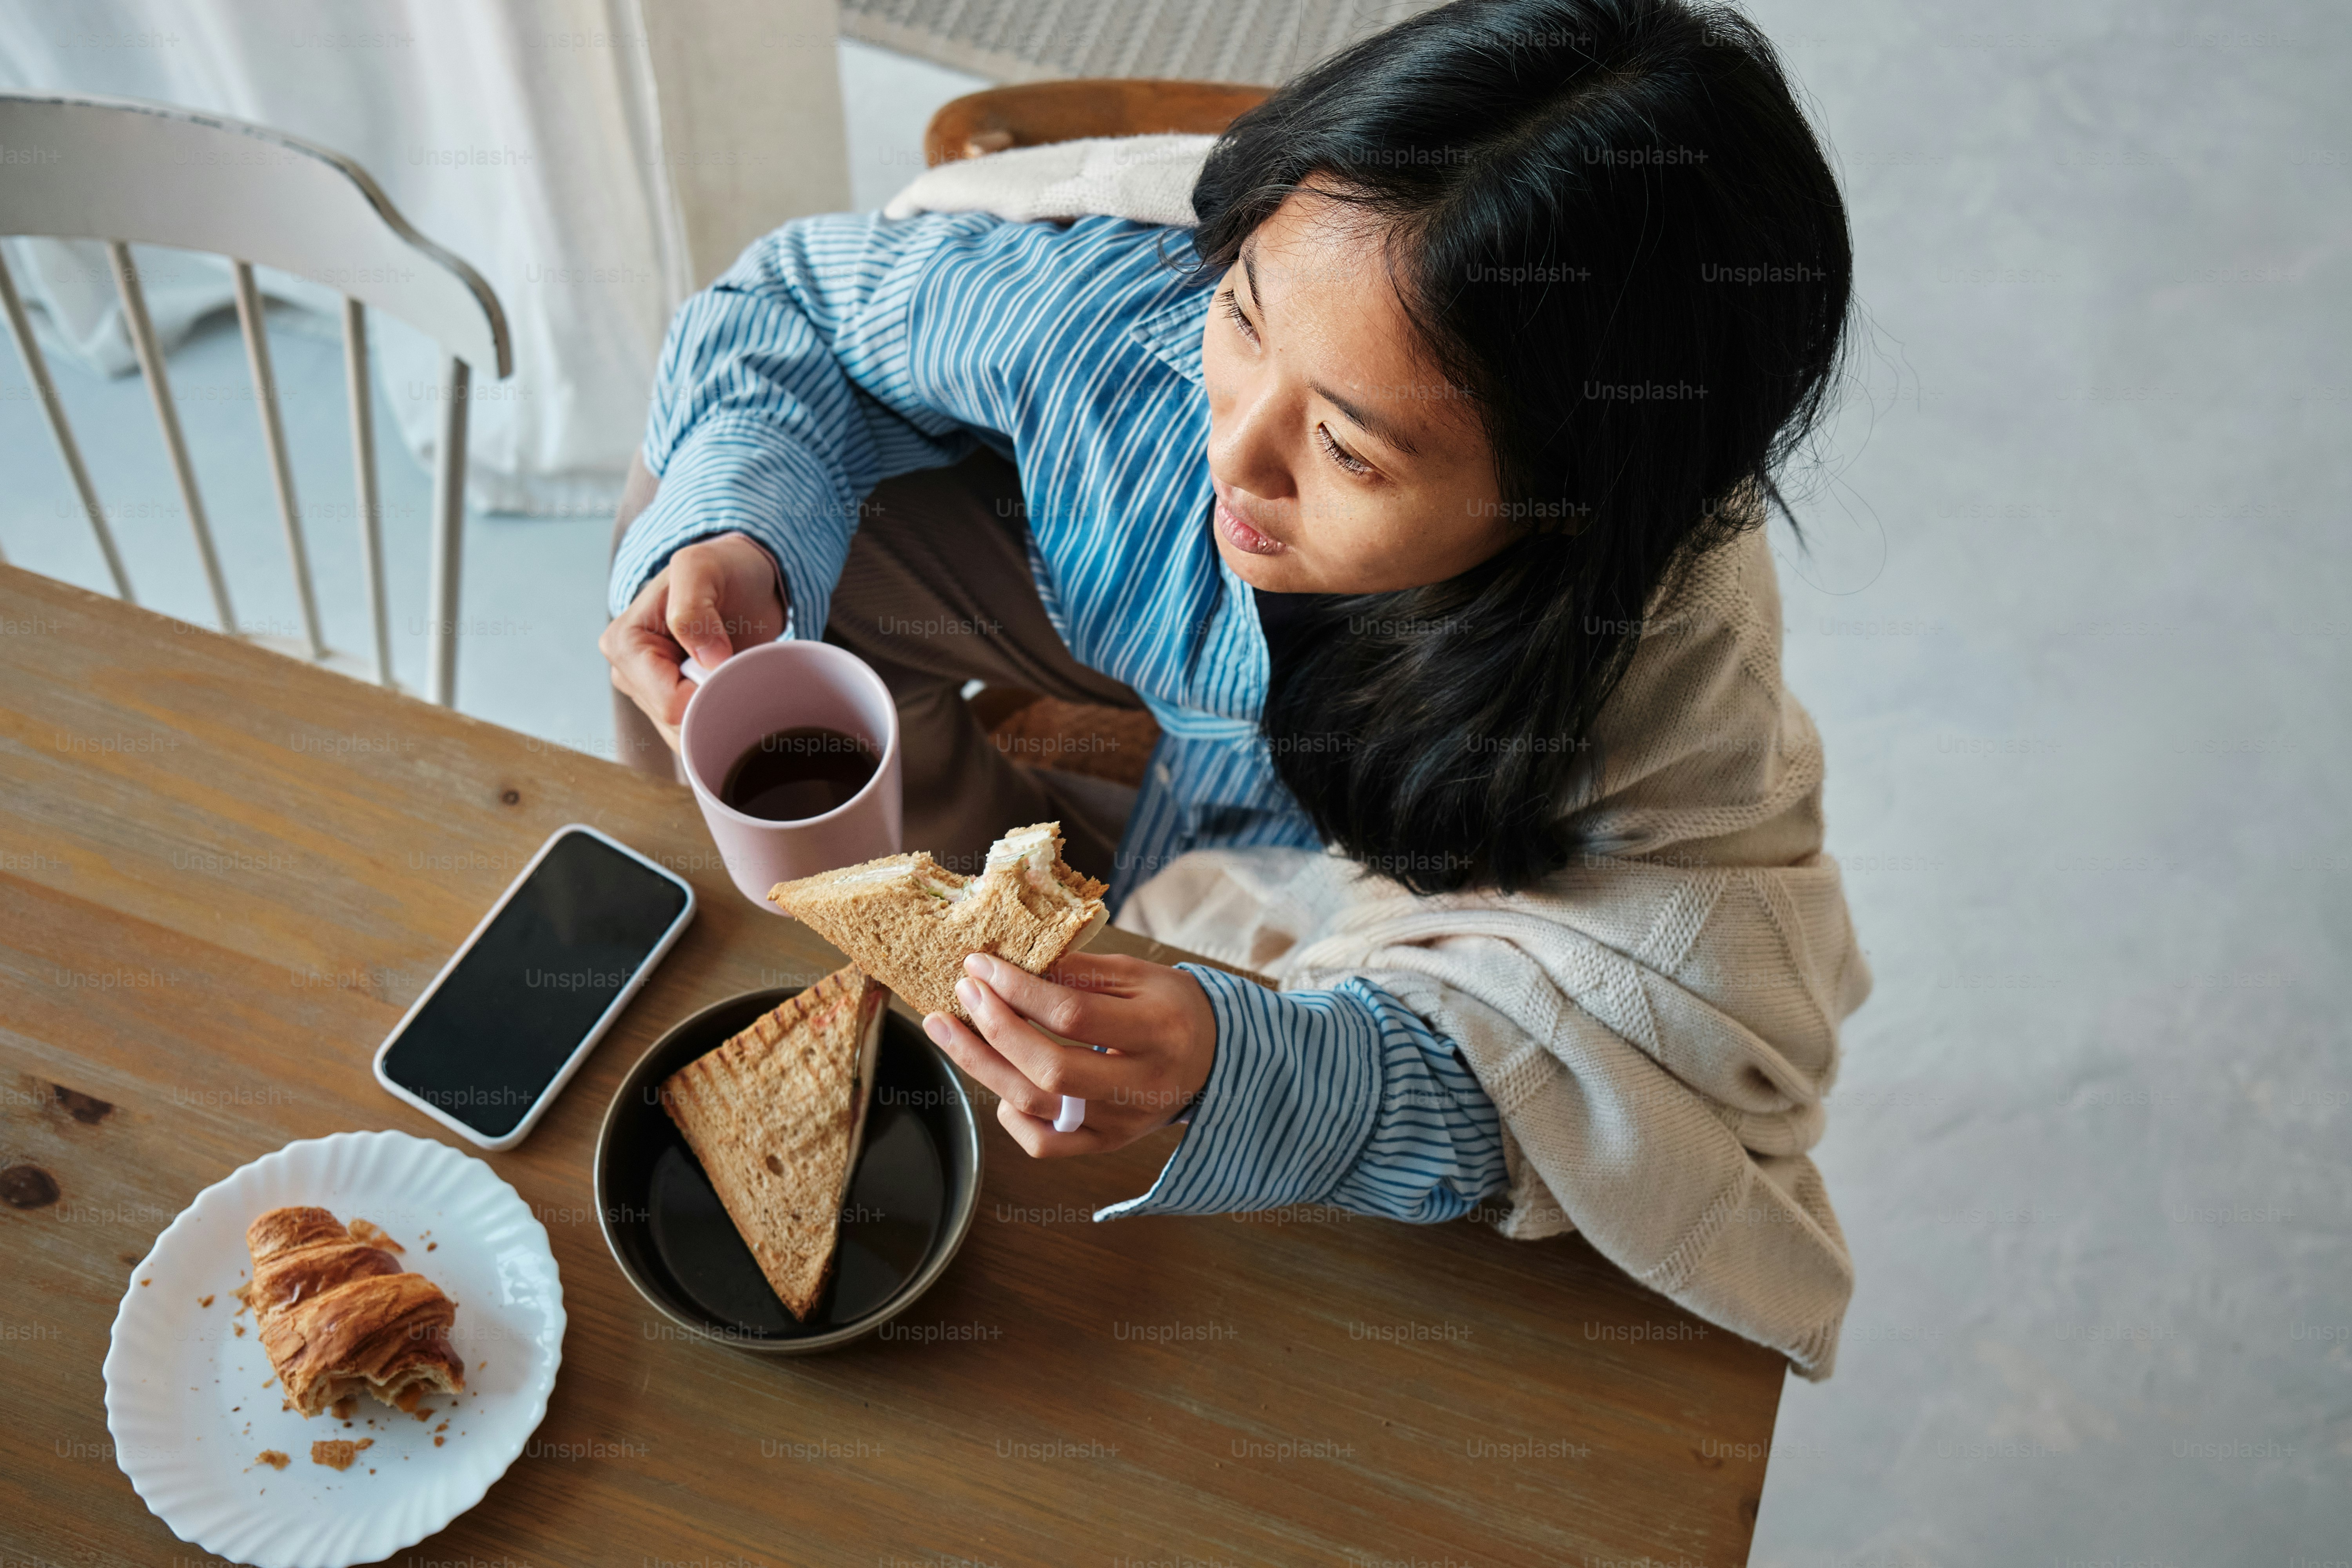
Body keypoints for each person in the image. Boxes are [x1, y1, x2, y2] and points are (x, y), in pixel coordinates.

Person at [603, 0, 1871, 1374]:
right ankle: (958, 874)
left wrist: (1243, 1066)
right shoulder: (1103, 326)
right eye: (1244, 318)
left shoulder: (1653, 674)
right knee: (717, 552)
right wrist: (731, 528)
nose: (1236, 457)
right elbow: (793, 302)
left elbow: (1663, 1065)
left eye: (1349, 448)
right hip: (1084, 634)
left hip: (1351, 846)